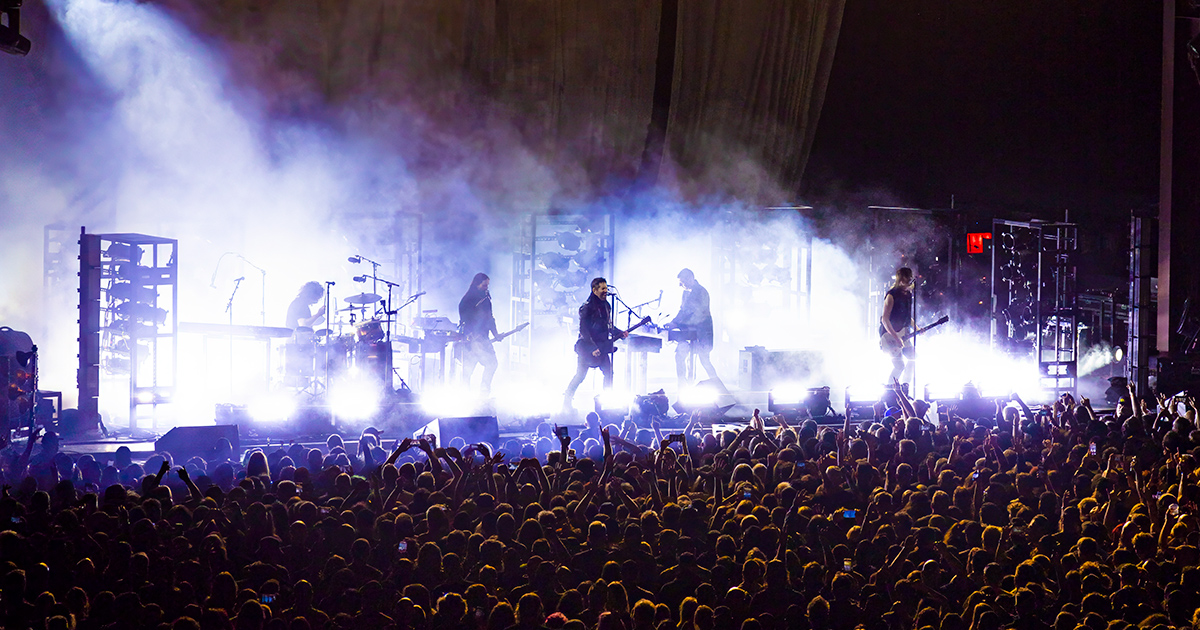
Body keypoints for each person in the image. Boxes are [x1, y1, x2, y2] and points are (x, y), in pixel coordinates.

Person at [563, 278, 627, 410]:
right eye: (602, 289)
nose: (605, 291)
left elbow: (608, 326)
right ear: (594, 290)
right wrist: (592, 347)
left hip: (602, 347)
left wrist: (620, 332)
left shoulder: (607, 306)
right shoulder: (586, 308)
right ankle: (567, 402)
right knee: (580, 376)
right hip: (587, 348)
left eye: (606, 288)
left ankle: (605, 403)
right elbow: (584, 330)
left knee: (609, 373)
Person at [667, 268, 720, 392]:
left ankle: (718, 387)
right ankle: (682, 386)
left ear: (690, 278)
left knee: (704, 360)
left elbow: (697, 313)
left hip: (702, 332)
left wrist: (677, 324)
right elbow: (683, 310)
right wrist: (674, 322)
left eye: (683, 282)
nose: (681, 285)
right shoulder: (685, 293)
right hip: (689, 332)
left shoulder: (701, 292)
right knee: (679, 356)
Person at [458, 273, 500, 393]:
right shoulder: (470, 300)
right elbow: (465, 318)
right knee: (484, 365)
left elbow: (489, 318)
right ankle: (478, 392)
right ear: (477, 284)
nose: (486, 287)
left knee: (473, 368)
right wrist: (472, 334)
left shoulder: (484, 298)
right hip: (475, 339)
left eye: (487, 285)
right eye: (484, 285)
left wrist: (495, 334)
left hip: (479, 338)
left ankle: (482, 391)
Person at [879, 266, 915, 382]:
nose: (909, 279)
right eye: (906, 276)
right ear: (901, 278)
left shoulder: (909, 295)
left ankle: (905, 387)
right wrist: (896, 337)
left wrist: (917, 328)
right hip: (890, 336)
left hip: (904, 335)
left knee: (913, 360)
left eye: (910, 276)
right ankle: (889, 391)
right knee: (899, 366)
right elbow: (885, 319)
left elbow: (907, 317)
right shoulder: (891, 295)